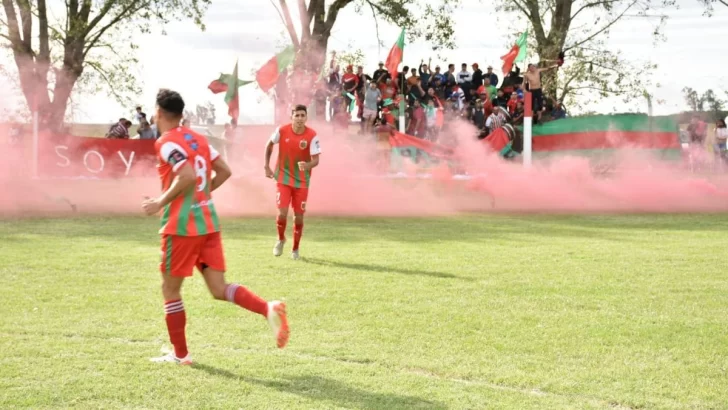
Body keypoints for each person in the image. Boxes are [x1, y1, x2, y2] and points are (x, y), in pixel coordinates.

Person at [142, 89, 290, 365]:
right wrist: (202, 194)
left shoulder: (165, 142)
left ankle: (181, 355)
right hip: (208, 223)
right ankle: (268, 308)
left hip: (181, 228)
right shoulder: (198, 139)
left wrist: (160, 202)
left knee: (170, 290)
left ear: (159, 113)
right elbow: (224, 170)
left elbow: (185, 174)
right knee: (219, 288)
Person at [264, 104, 322, 260]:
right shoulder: (281, 131)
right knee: (282, 213)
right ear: (292, 117)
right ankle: (281, 239)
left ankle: (295, 249)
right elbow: (268, 145)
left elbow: (316, 160)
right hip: (283, 178)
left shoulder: (312, 135)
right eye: (297, 115)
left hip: (302, 181)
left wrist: (307, 165)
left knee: (298, 217)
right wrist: (266, 167)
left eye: (303, 115)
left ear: (306, 118)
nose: (300, 119)